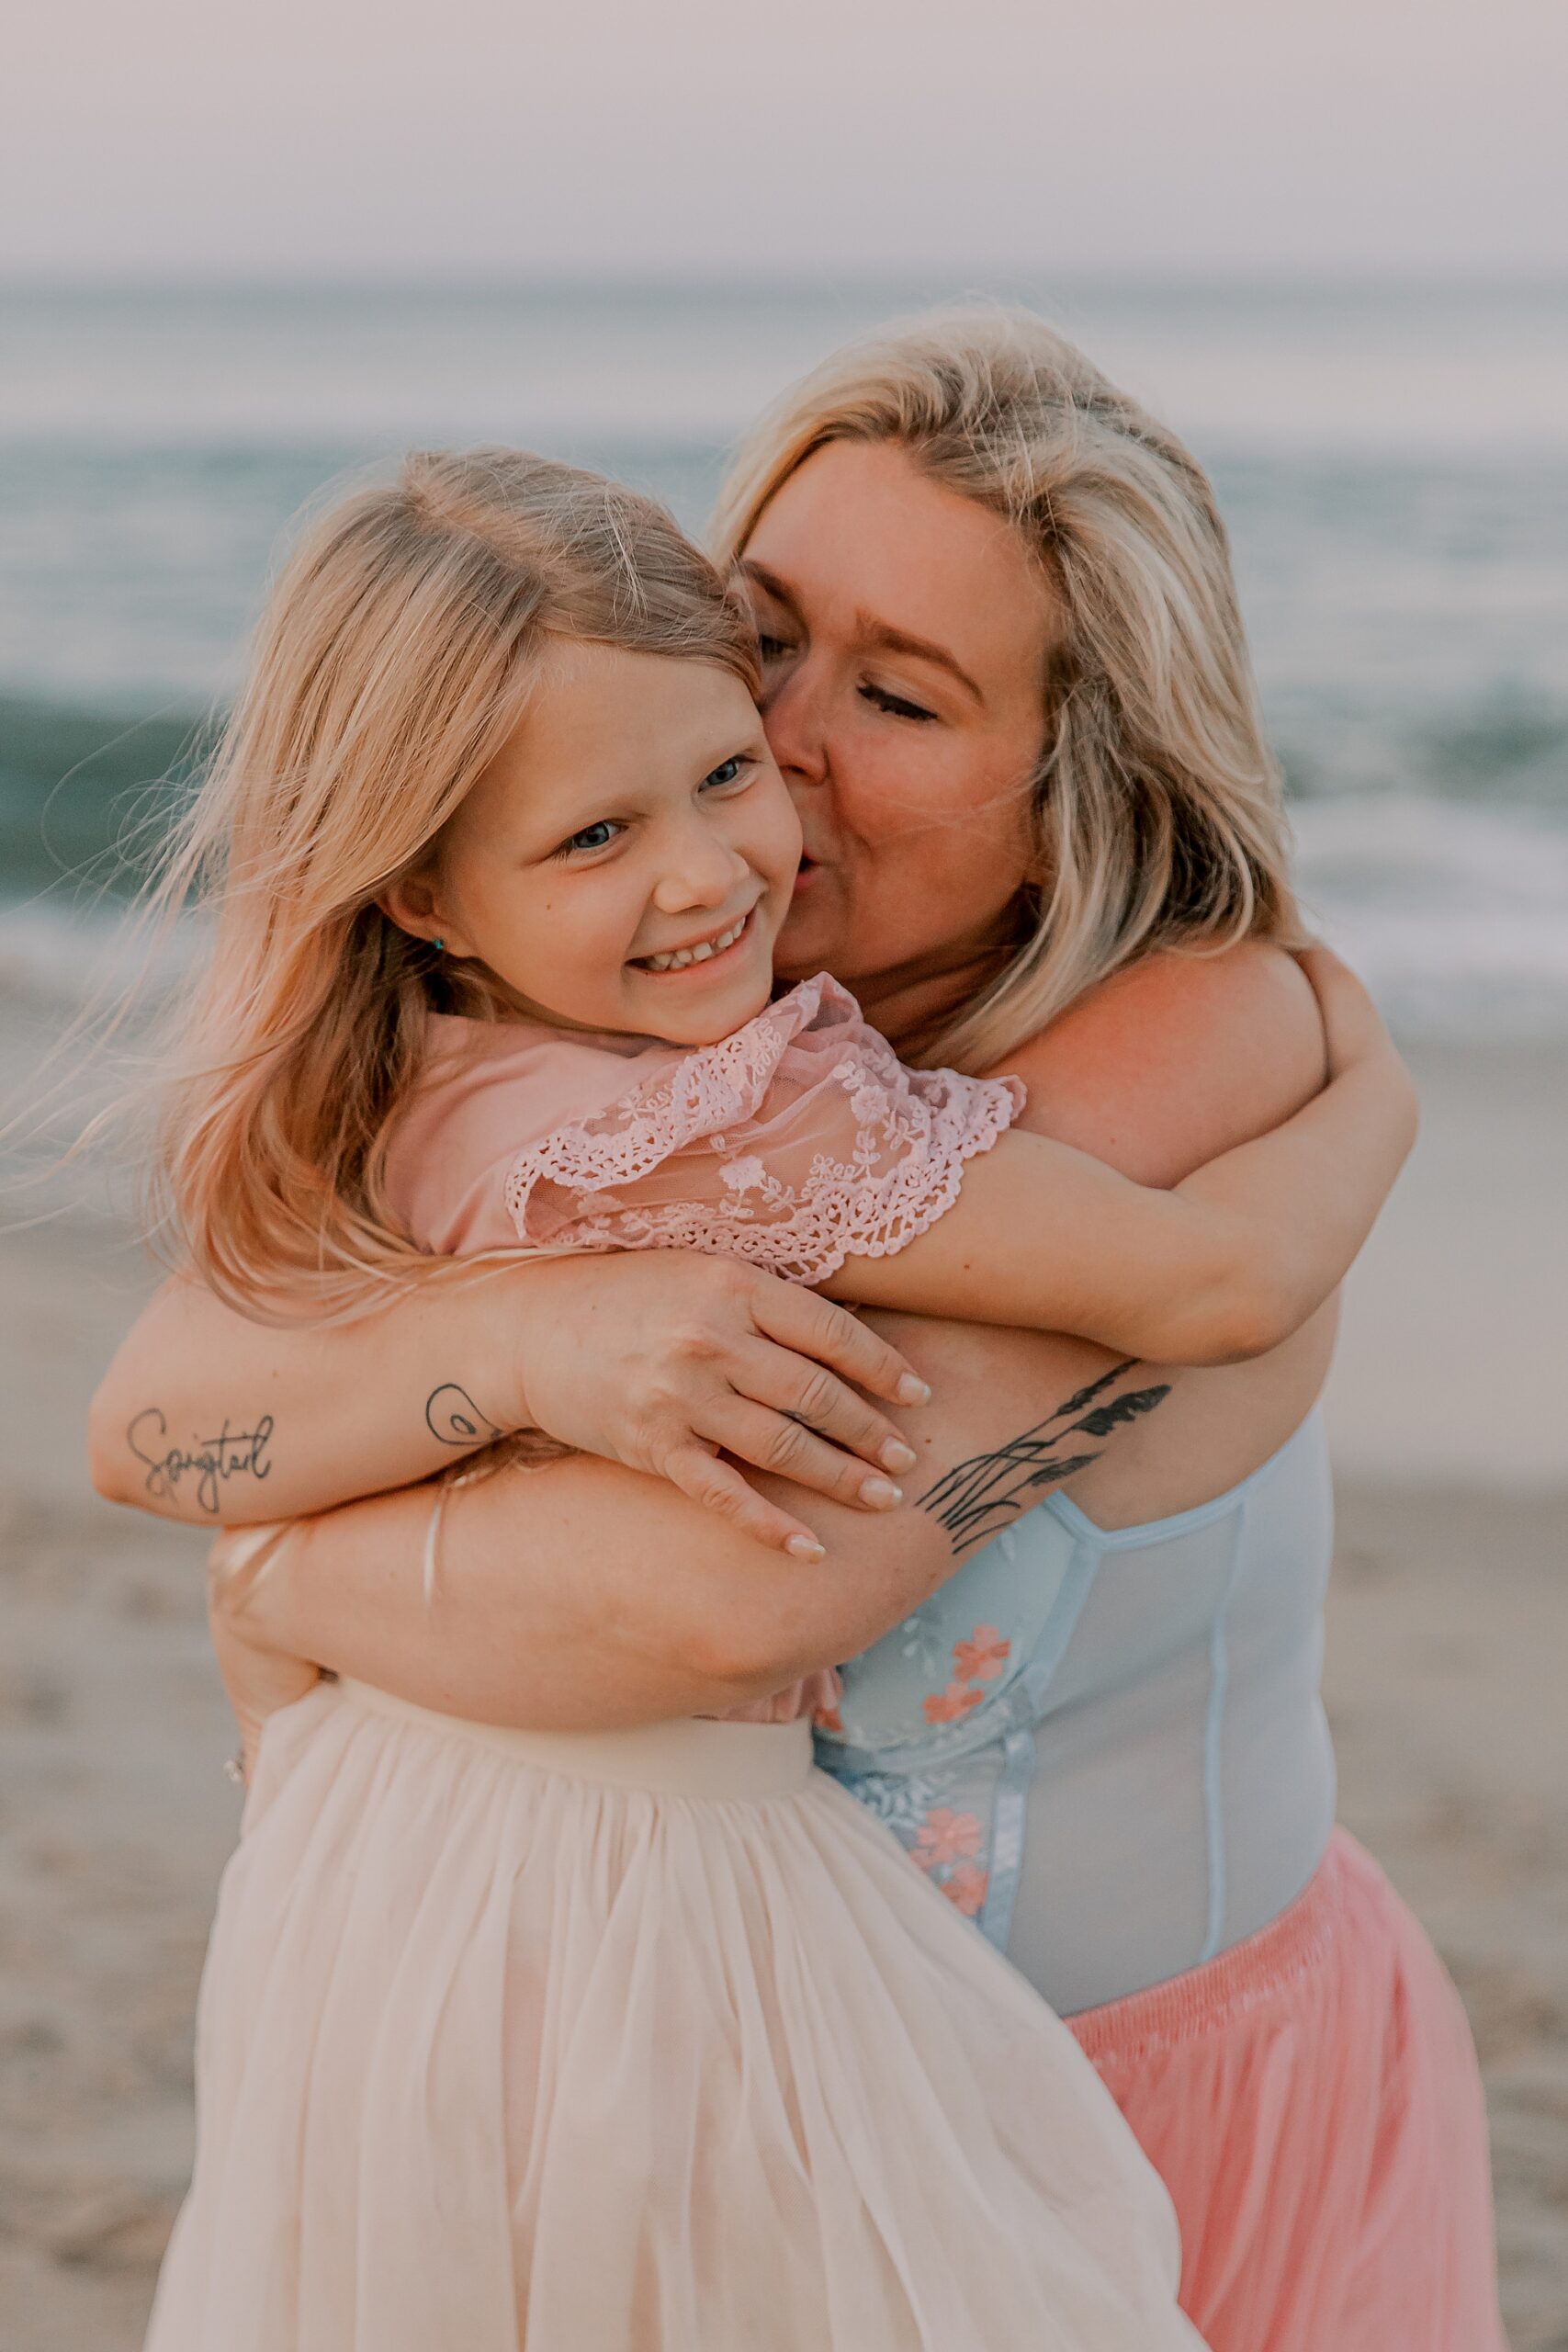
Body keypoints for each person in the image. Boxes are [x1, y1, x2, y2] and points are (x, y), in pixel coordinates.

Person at [94, 311, 1505, 2351]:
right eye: (765, 640)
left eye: (905, 696)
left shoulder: (1184, 1040)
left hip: (1116, 2108)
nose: (789, 747)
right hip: (733, 2116)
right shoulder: (631, 1041)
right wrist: (508, 1356)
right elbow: (152, 1409)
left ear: (1075, 771)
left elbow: (725, 1592)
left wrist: (291, 1562)